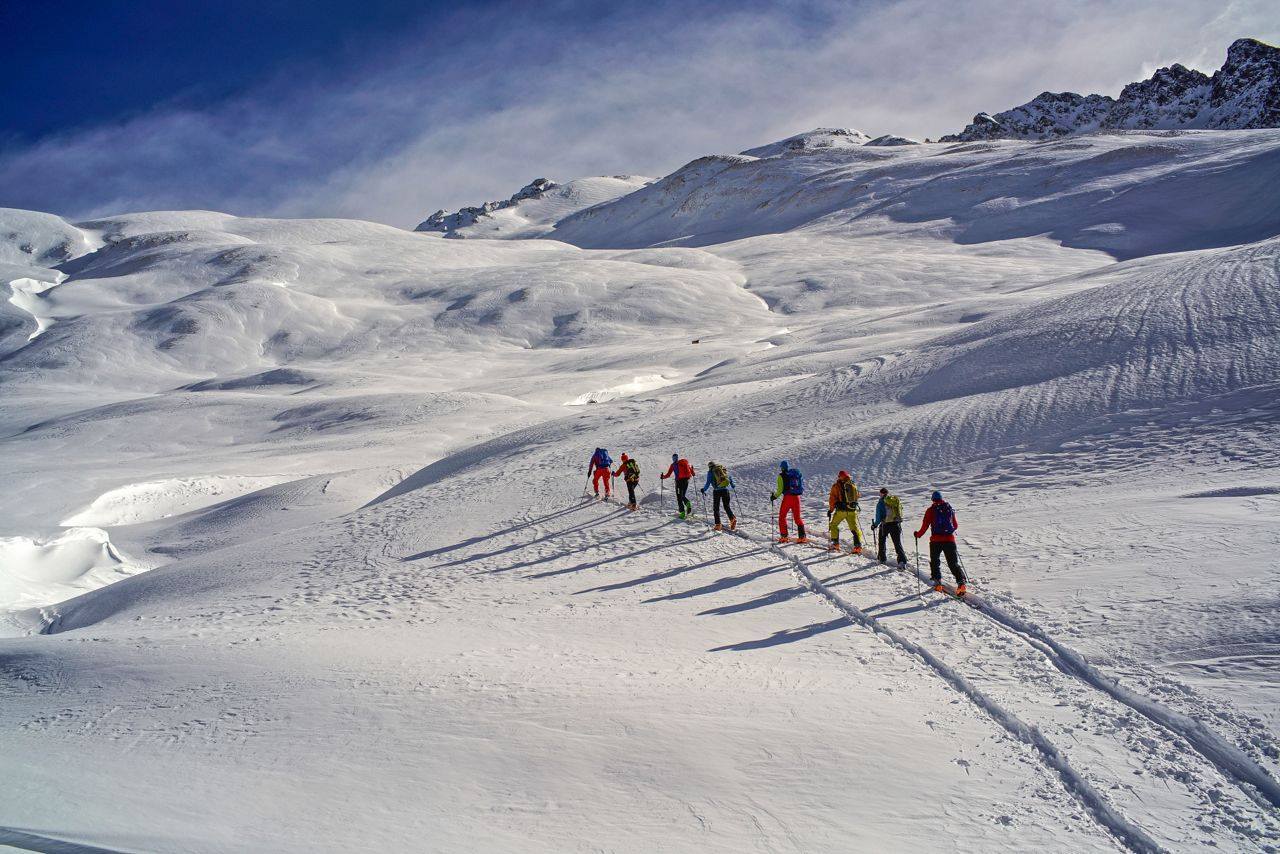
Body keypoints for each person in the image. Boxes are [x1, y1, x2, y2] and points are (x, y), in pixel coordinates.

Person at [914, 490, 966, 595]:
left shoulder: (930, 510)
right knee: (953, 563)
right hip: (949, 540)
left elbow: (925, 526)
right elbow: (955, 525)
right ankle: (961, 583)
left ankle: (937, 583)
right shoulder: (949, 509)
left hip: (936, 541)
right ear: (942, 498)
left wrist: (918, 535)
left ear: (932, 499)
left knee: (935, 561)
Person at [826, 471, 863, 553]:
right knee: (854, 528)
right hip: (852, 510)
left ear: (840, 477)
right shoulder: (852, 484)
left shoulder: (836, 486)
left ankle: (835, 544)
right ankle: (858, 546)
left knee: (834, 525)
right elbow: (857, 496)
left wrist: (831, 510)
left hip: (841, 511)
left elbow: (832, 499)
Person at [770, 460, 807, 543]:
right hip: (796, 498)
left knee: (782, 517)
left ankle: (784, 537)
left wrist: (774, 497)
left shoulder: (781, 476)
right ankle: (802, 537)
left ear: (781, 467)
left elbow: (780, 490)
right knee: (797, 518)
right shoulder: (793, 475)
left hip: (788, 498)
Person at [871, 487, 908, 567]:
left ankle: (882, 558)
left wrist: (875, 525)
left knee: (881, 541)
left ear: (881, 494)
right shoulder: (894, 501)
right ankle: (902, 561)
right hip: (896, 524)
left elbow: (878, 517)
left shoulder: (880, 503)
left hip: (885, 525)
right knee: (897, 543)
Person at [700, 461, 737, 531]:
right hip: (725, 490)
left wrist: (704, 489)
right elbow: (729, 477)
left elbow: (708, 483)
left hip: (717, 491)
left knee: (716, 508)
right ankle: (732, 519)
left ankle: (718, 525)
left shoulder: (710, 472)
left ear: (709, 467)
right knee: (726, 506)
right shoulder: (722, 469)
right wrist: (732, 485)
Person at [660, 453, 695, 519]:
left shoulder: (673, 465)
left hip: (679, 482)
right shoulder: (684, 463)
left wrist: (663, 477)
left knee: (679, 497)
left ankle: (682, 513)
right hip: (686, 481)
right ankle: (688, 504)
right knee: (683, 496)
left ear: (673, 459)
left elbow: (668, 474)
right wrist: (692, 471)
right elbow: (692, 473)